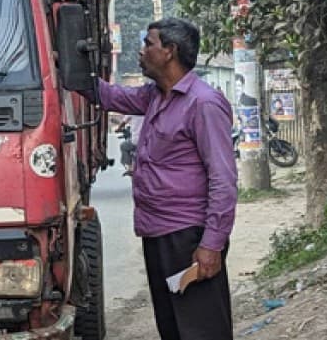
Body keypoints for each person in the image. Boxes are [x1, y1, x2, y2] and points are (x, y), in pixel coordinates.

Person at [86, 18, 237, 340]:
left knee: (201, 330)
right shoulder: (155, 96)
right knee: (172, 328)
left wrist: (211, 244)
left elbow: (223, 179)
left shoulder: (203, 103)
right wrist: (70, 68)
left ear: (170, 51)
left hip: (188, 236)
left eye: (148, 44)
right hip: (157, 232)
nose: (141, 52)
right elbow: (110, 96)